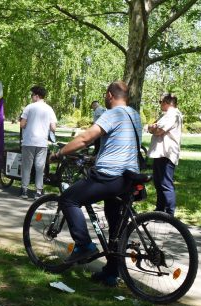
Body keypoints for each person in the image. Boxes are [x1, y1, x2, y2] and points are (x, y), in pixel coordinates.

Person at [50, 80, 142, 286]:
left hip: (110, 175)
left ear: (110, 95)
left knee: (68, 199)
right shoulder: (135, 115)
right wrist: (96, 158)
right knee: (115, 227)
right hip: (129, 177)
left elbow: (85, 139)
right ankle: (111, 273)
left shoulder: (112, 114)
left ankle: (83, 245)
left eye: (105, 95)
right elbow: (119, 143)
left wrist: (59, 153)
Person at [148, 93, 183, 215]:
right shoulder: (167, 115)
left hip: (166, 154)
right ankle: (160, 210)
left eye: (160, 101)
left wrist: (152, 128)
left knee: (165, 183)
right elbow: (153, 126)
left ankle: (169, 213)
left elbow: (158, 130)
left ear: (167, 102)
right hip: (161, 153)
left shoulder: (173, 114)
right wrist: (152, 127)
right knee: (158, 182)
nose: (160, 104)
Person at [19, 86, 57, 199]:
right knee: (40, 167)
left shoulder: (29, 107)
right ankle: (38, 192)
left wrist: (28, 124)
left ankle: (24, 191)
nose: (31, 98)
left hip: (29, 141)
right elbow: (53, 127)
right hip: (42, 142)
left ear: (36, 96)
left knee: (27, 167)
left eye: (32, 95)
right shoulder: (49, 109)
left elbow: (22, 124)